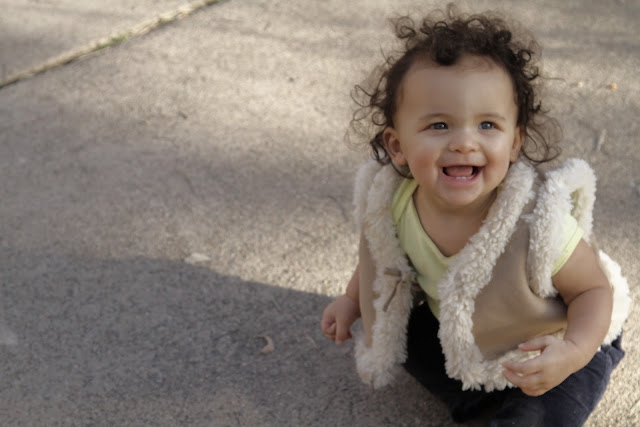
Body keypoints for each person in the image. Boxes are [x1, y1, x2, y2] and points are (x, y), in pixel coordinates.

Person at [321, 6, 631, 426]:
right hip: (475, 336)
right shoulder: (394, 202)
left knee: (547, 409)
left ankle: (535, 392)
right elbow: (380, 258)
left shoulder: (536, 223)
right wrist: (351, 299)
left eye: (487, 125)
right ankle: (482, 400)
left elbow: (592, 291)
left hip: (552, 340)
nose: (464, 143)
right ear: (397, 146)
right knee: (401, 331)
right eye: (439, 126)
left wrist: (574, 352)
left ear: (515, 142)